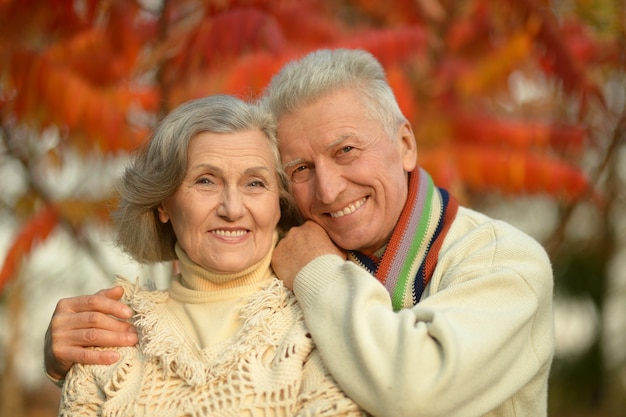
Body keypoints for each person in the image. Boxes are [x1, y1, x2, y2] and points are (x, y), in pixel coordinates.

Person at [45, 49, 554, 417]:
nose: (330, 190)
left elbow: (411, 389)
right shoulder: (301, 241)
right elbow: (210, 278)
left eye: (346, 150)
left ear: (405, 145)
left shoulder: (504, 263)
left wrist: (317, 271)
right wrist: (64, 350)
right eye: (302, 169)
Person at [54, 94, 364, 416]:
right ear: (163, 203)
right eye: (206, 181)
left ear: (279, 203)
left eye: (254, 183)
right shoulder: (111, 335)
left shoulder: (322, 315)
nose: (232, 209)